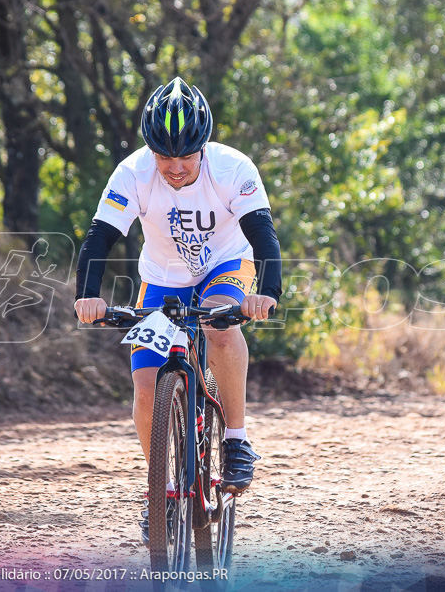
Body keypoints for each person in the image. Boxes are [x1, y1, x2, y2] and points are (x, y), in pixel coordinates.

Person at [73, 77, 282, 545]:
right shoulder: (131, 173)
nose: (175, 167)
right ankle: (161, 493)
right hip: (162, 278)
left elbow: (264, 236)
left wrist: (266, 292)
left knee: (218, 323)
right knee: (146, 388)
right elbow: (99, 237)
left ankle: (236, 441)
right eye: (165, 156)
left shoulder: (233, 169)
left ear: (203, 148)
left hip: (226, 264)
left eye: (186, 156)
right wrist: (88, 294)